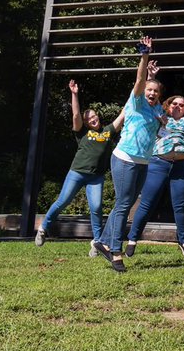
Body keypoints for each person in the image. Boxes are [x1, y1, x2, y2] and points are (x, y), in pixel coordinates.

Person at [123, 69, 184, 264]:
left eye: (182, 105)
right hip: (158, 163)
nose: (178, 106)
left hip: (180, 167)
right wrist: (150, 77)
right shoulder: (160, 116)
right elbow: (147, 95)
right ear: (168, 105)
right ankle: (132, 238)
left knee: (181, 206)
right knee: (147, 203)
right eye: (174, 103)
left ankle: (183, 242)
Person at [92, 37, 164, 273]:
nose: (151, 93)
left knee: (125, 203)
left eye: (155, 91)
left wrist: (163, 123)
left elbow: (162, 129)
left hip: (143, 161)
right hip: (125, 158)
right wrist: (144, 57)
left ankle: (102, 241)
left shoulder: (157, 109)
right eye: (149, 90)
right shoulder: (135, 101)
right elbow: (140, 80)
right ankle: (115, 250)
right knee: (123, 204)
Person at [35, 79, 124, 253]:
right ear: (85, 122)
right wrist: (74, 94)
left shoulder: (107, 131)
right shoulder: (82, 132)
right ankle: (43, 228)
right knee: (63, 201)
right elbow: (76, 115)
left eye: (94, 116)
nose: (93, 119)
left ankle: (97, 242)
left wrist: (141, 86)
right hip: (77, 173)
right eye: (89, 118)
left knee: (97, 207)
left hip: (96, 177)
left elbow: (122, 116)